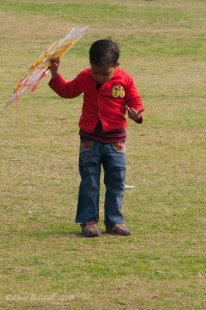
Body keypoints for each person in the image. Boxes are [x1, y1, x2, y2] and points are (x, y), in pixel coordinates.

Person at [48, 39, 144, 237]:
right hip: (89, 140)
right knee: (89, 181)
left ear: (116, 66)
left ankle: (114, 222)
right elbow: (67, 91)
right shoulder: (85, 77)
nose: (99, 77)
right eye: (95, 72)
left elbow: (136, 102)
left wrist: (137, 115)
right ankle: (89, 222)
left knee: (116, 182)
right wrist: (55, 74)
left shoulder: (125, 79)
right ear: (90, 65)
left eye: (104, 73)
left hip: (116, 142)